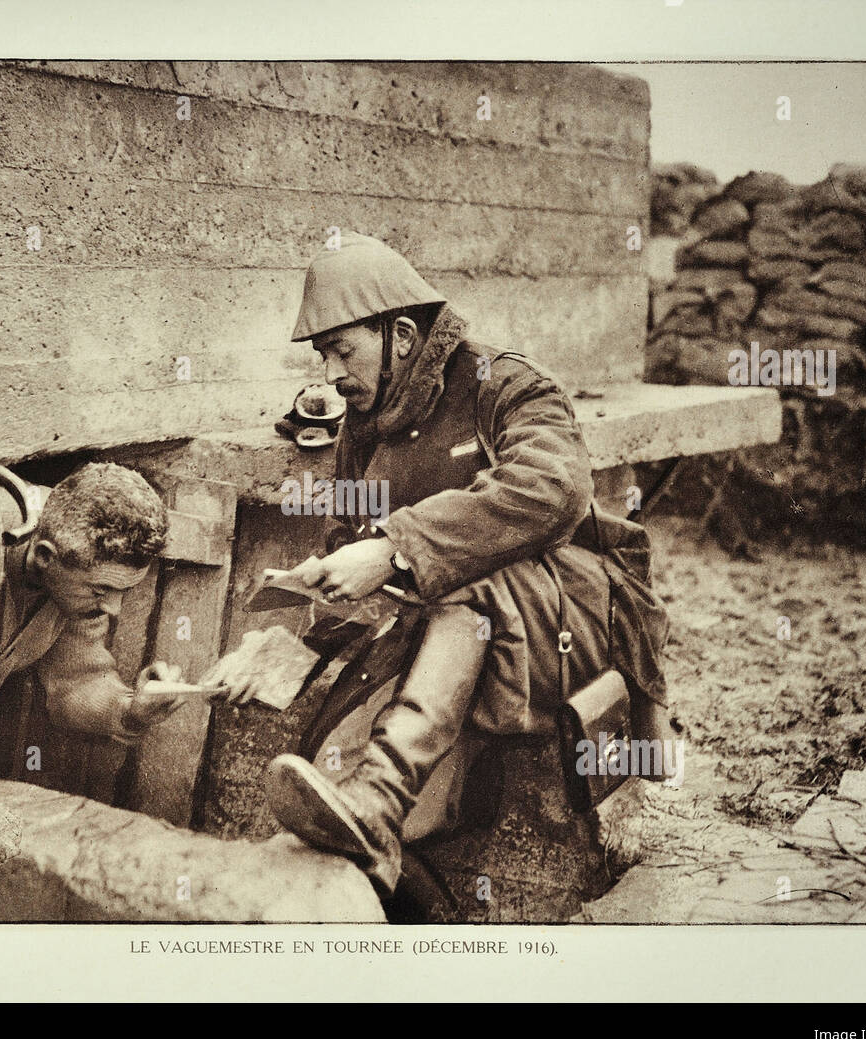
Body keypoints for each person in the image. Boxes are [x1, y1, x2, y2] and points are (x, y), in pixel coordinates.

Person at [258, 233, 672, 896]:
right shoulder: (365, 423)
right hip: (454, 634)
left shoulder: (506, 384)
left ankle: (384, 793)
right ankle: (396, 873)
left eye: (343, 348)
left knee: (473, 576)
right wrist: (294, 625)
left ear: (399, 333)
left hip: (570, 614)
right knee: (327, 759)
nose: (329, 373)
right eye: (322, 353)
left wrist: (395, 546)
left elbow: (554, 490)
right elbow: (349, 543)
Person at [0, 462, 186, 785]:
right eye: (101, 590)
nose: (114, 609)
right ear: (45, 557)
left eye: (124, 592)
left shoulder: (72, 568)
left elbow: (74, 680)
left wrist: (130, 710)